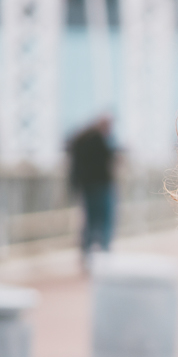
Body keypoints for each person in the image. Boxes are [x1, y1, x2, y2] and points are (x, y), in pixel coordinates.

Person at [67, 114, 117, 266]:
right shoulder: (100, 140)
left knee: (89, 221)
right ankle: (105, 254)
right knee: (105, 221)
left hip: (87, 186)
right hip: (102, 185)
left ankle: (87, 255)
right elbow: (109, 160)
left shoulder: (80, 139)